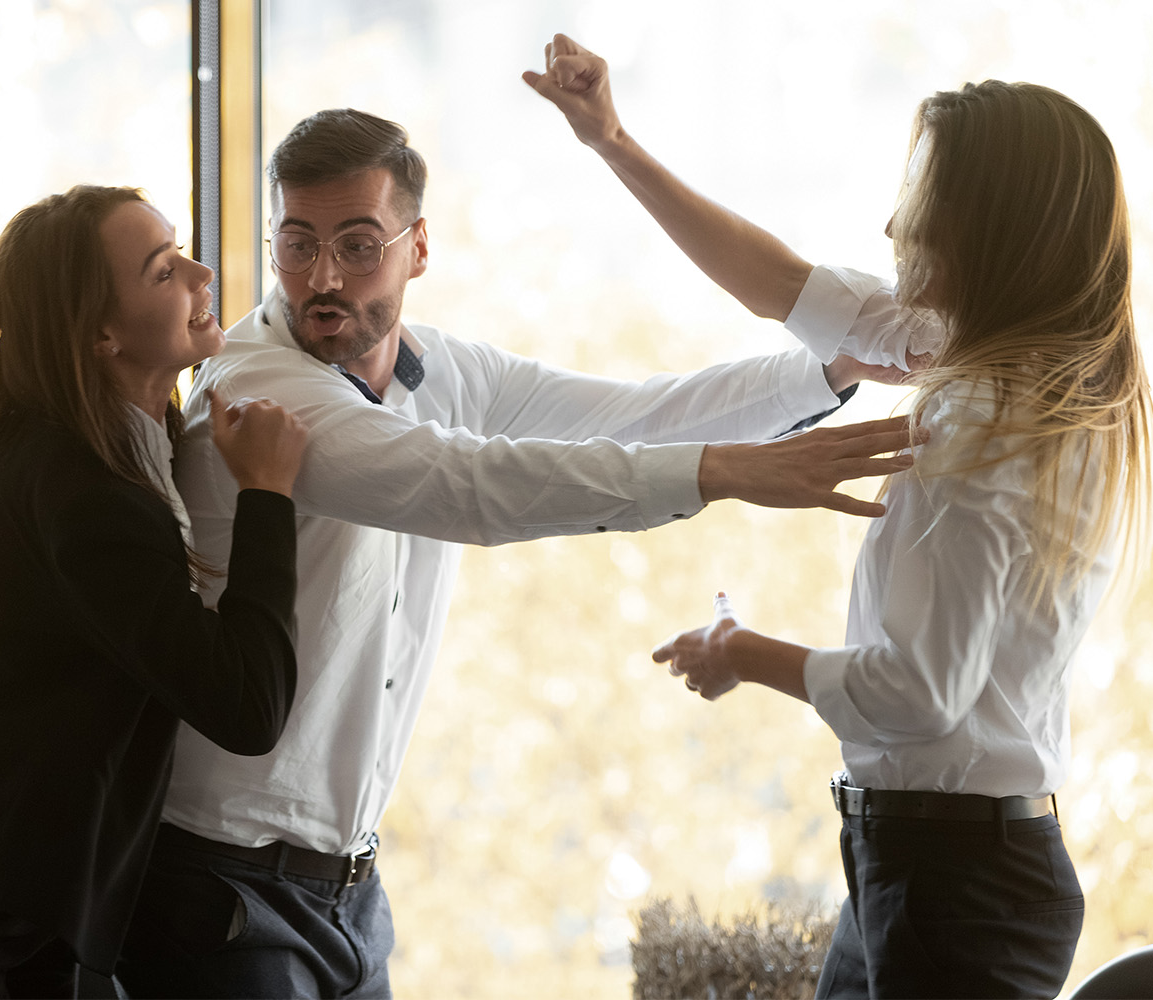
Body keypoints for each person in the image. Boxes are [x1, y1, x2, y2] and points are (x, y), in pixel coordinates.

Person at [113, 105, 922, 997]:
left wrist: (829, 370)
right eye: (296, 245)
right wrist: (729, 473)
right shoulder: (256, 383)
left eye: (358, 244)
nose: (322, 278)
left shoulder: (446, 373)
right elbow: (467, 486)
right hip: (220, 883)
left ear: (418, 248)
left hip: (348, 890)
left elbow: (636, 414)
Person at [527, 31, 1151, 999]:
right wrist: (613, 140)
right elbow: (783, 284)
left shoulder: (981, 412)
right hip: (934, 865)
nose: (896, 225)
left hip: (952, 885)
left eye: (925, 200)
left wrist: (741, 652)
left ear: (985, 232)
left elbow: (920, 693)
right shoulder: (1026, 380)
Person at [0, 185, 309, 996]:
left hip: (6, 900)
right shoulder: (83, 492)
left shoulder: (113, 442)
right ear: (100, 335)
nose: (202, 271)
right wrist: (267, 493)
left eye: (182, 249)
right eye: (163, 271)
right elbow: (246, 704)